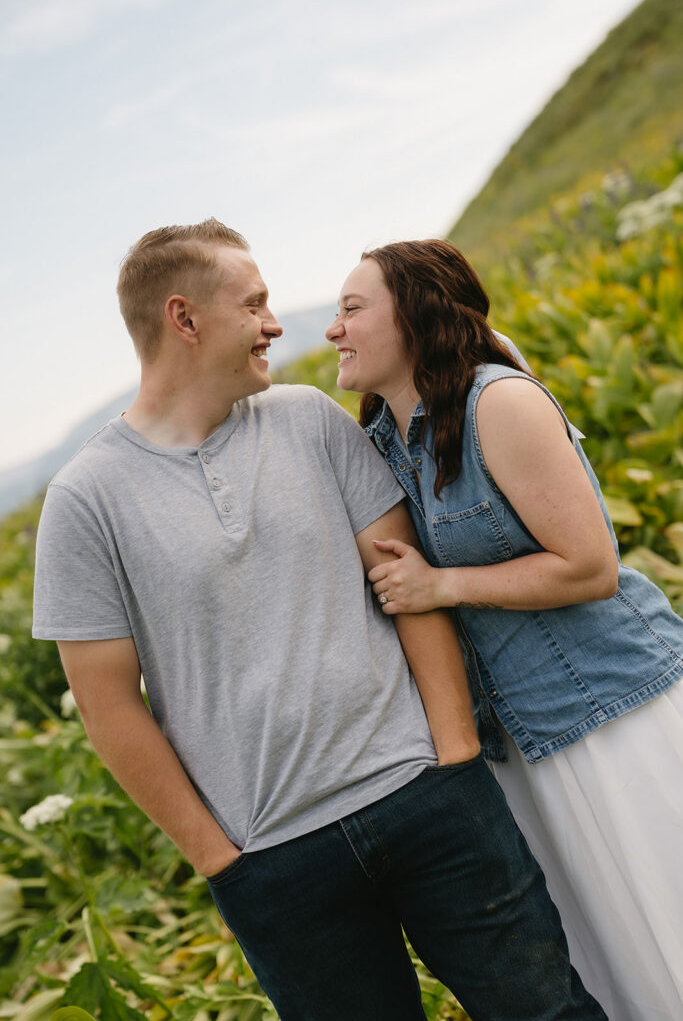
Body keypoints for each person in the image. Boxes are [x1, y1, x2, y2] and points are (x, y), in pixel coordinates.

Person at [32, 220, 606, 1021]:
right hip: (274, 861)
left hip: (429, 798)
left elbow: (404, 584)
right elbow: (106, 705)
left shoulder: (310, 419)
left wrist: (454, 755)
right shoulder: (84, 501)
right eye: (253, 304)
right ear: (183, 318)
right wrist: (220, 859)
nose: (274, 325)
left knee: (548, 1013)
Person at [325, 237, 683, 1021]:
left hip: (608, 709)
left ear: (414, 316)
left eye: (352, 308)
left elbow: (588, 566)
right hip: (517, 744)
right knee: (616, 961)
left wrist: (440, 585)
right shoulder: (380, 443)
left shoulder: (498, 403)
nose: (333, 328)